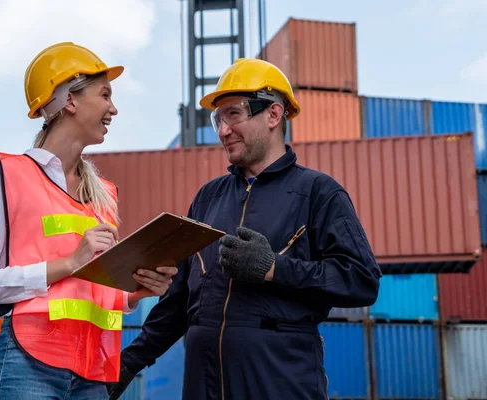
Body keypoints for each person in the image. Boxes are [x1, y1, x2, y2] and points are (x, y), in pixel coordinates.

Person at [107, 58, 382, 400]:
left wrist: (274, 269)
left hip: (280, 383)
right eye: (218, 119)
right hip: (203, 385)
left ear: (273, 114)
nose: (222, 130)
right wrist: (129, 363)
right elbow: (180, 300)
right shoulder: (209, 198)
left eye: (233, 114)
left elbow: (361, 281)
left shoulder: (319, 193)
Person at [0, 42, 178, 400]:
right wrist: (69, 263)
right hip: (28, 364)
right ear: (70, 101)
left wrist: (135, 293)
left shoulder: (103, 194)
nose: (113, 108)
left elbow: (89, 291)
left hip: (93, 371)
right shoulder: (8, 174)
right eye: (105, 94)